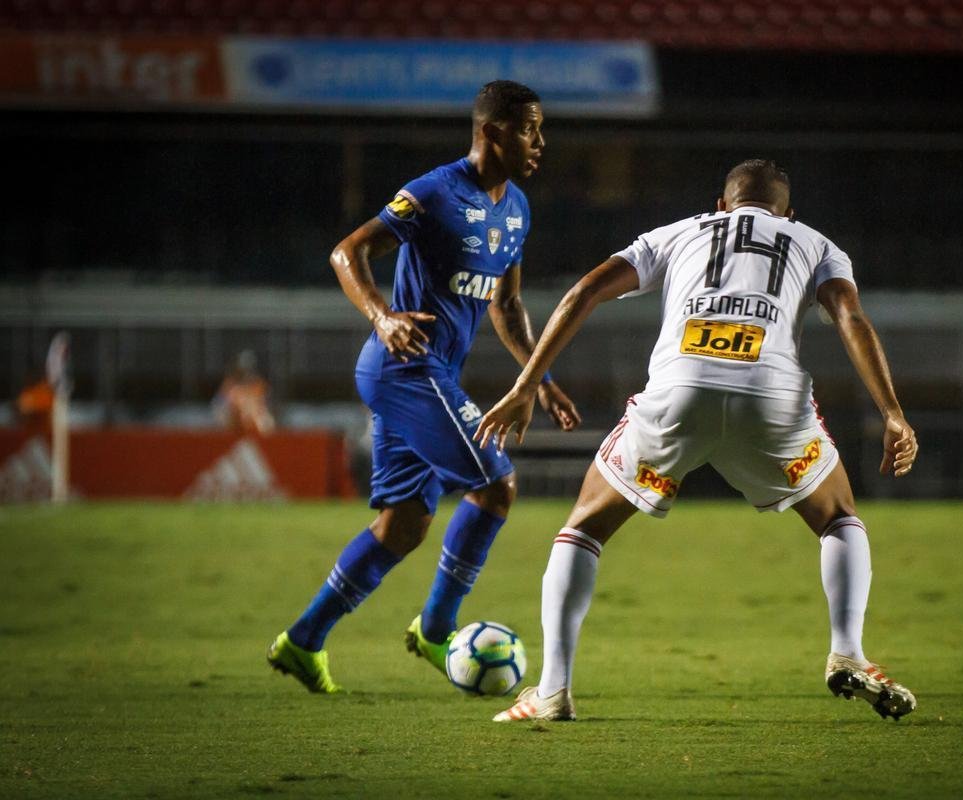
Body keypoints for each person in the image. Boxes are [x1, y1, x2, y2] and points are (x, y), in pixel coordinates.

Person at [474, 159, 919, 722]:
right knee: (837, 518)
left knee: (583, 528)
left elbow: (583, 293)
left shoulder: (680, 232)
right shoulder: (814, 242)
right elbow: (851, 317)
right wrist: (892, 412)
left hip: (678, 394)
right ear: (789, 213)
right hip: (772, 401)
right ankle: (848, 652)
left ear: (721, 205)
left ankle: (553, 690)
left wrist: (526, 383)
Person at [267, 80, 581, 693]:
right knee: (497, 485)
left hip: (428, 377)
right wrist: (382, 316)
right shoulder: (434, 192)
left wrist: (535, 376)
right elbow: (347, 252)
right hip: (406, 369)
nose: (540, 143)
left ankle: (303, 642)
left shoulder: (516, 206)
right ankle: (437, 630)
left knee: (405, 524)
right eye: (528, 130)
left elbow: (508, 304)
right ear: (492, 132)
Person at [213, 350, 276, 435]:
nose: (246, 373)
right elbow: (218, 406)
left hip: (255, 425)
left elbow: (270, 406)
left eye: (248, 369)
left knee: (267, 421)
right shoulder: (229, 385)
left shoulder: (259, 385)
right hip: (233, 424)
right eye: (243, 369)